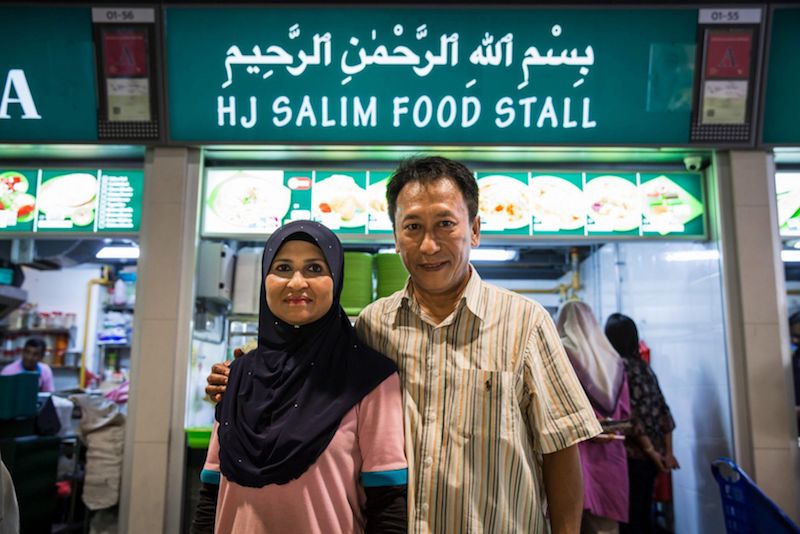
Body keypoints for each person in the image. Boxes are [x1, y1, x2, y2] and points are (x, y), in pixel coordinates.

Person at [208, 156, 602, 533]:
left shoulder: (526, 323)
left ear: (475, 229)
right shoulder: (374, 325)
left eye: (445, 224)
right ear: (396, 237)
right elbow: (310, 376)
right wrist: (243, 379)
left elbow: (561, 446)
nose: (428, 245)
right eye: (412, 227)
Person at [192, 221, 407, 534]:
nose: (296, 282)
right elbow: (211, 495)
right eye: (282, 268)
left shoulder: (370, 379)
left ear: (336, 280)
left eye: (314, 268)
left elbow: (388, 502)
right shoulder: (236, 376)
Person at [557, 301, 630, 534]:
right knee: (606, 527)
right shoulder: (613, 359)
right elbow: (626, 414)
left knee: (570, 521)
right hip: (612, 451)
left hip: (576, 452)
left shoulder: (560, 352)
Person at [604, 313, 678, 534]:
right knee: (645, 515)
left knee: (630, 518)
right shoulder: (645, 368)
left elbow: (631, 416)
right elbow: (665, 412)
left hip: (632, 456)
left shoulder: (618, 368)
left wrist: (650, 451)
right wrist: (666, 453)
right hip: (653, 458)